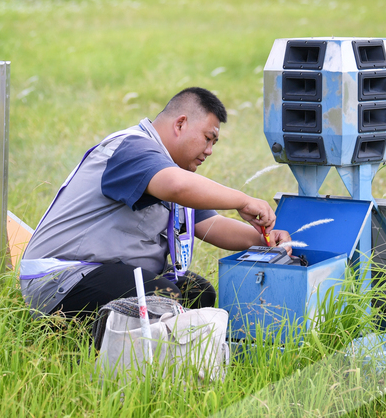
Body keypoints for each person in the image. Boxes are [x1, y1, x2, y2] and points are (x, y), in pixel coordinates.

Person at [19, 86, 291, 317]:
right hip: (60, 279)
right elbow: (176, 186)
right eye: (208, 139)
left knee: (198, 293)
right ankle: (106, 358)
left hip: (100, 274)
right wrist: (242, 200)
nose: (209, 151)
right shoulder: (132, 148)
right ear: (180, 123)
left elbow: (212, 224)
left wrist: (266, 240)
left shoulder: (168, 169)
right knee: (162, 295)